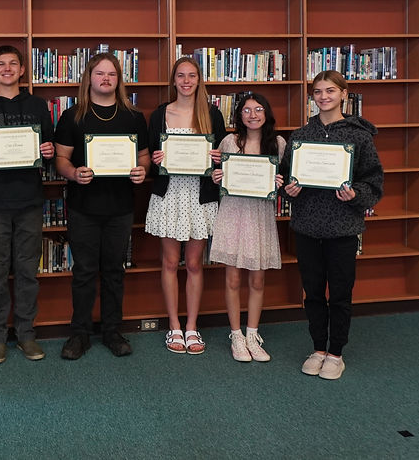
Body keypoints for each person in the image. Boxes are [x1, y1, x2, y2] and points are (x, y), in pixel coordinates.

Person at [280, 70, 383, 380]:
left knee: (339, 293)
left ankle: (336, 352)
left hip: (342, 227)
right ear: (312, 97)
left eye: (330, 91)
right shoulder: (300, 135)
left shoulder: (359, 136)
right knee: (312, 291)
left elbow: (374, 180)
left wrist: (356, 194)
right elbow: (286, 177)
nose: (323, 97)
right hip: (307, 225)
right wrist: (289, 189)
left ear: (343, 94)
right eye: (318, 92)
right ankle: (317, 348)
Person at [54, 52, 149, 359]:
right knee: (83, 272)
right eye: (100, 73)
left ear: (118, 79)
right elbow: (61, 160)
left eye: (111, 74)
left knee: (113, 271)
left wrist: (141, 170)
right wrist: (73, 173)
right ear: (89, 78)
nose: (106, 79)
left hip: (120, 207)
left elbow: (144, 157)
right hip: (83, 207)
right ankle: (79, 334)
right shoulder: (73, 116)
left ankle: (111, 331)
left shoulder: (133, 117)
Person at [0, 45, 55, 364]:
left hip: (30, 199)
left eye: (12, 64)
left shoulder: (38, 106)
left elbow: (50, 148)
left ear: (22, 70)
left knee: (28, 271)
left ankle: (26, 334)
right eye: (0, 64)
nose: (6, 69)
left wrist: (48, 151)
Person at [146, 57, 226, 355]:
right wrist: (156, 161)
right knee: (169, 262)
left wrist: (217, 160)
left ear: (199, 79)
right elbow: (151, 157)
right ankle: (174, 326)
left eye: (192, 75)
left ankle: (192, 327)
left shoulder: (212, 114)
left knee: (194, 263)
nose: (186, 81)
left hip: (200, 196)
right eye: (180, 76)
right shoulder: (159, 115)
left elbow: (220, 157)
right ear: (174, 80)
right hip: (169, 195)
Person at [208, 93, 286, 362]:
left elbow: (287, 182)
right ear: (239, 115)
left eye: (258, 109)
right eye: (246, 110)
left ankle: (252, 334)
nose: (253, 115)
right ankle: (236, 335)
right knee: (232, 278)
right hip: (232, 213)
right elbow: (218, 174)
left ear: (267, 114)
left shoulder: (278, 143)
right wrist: (216, 176)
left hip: (260, 215)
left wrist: (279, 182)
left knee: (257, 278)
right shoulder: (230, 141)